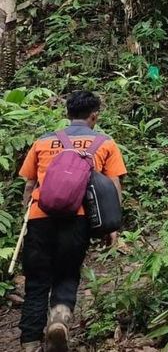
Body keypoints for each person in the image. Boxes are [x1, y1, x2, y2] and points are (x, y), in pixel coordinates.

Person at [18, 91, 127, 352]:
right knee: (67, 272)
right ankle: (60, 316)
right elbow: (113, 187)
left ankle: (30, 342)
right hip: (77, 219)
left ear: (67, 115)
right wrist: (112, 226)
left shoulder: (43, 142)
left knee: (36, 280)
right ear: (94, 116)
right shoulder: (105, 143)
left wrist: (28, 215)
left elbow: (29, 185)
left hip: (39, 217)